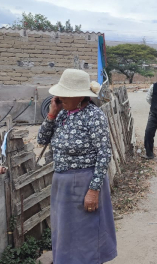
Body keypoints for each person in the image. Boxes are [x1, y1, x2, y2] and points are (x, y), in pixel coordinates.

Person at [37, 69, 117, 264]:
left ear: (80, 96)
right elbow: (41, 139)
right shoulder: (62, 114)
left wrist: (93, 191)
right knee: (65, 231)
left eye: (66, 94)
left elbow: (104, 153)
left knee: (87, 234)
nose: (61, 97)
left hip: (85, 183)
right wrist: (52, 114)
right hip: (62, 184)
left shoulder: (94, 116)